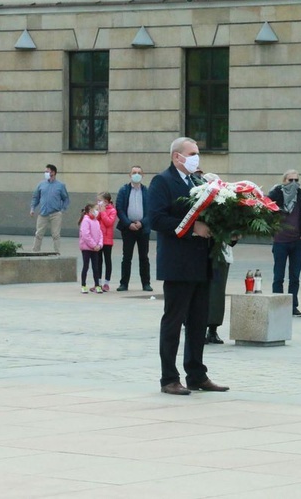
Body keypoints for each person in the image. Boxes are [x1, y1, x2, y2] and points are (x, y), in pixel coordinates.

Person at [149, 136, 228, 395]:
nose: (197, 157)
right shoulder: (163, 181)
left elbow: (212, 216)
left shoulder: (201, 181)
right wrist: (192, 227)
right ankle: (169, 378)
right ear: (177, 157)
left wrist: (227, 230)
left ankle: (196, 374)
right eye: (192, 153)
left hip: (201, 263)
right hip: (178, 263)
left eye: (197, 153)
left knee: (198, 322)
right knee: (174, 322)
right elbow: (157, 218)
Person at [268, 170, 301, 317]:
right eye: (290, 180)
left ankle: (293, 306)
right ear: (284, 180)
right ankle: (277, 305)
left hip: (296, 242)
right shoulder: (276, 194)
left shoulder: (300, 195)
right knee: (278, 276)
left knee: (294, 276)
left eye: (296, 180)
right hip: (280, 241)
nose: (293, 183)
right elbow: (266, 211)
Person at [115, 166, 153, 292]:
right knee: (126, 257)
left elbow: (151, 210)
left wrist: (142, 223)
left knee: (144, 257)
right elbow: (119, 209)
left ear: (143, 175)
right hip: (128, 229)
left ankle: (146, 283)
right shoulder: (124, 190)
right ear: (129, 175)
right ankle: (124, 283)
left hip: (143, 228)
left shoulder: (147, 191)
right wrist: (128, 224)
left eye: (139, 173)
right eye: (134, 173)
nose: (136, 175)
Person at [30, 164, 70, 254]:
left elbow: (66, 199)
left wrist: (62, 210)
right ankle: (35, 251)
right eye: (45, 171)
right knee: (39, 234)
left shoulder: (60, 185)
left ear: (53, 172)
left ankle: (57, 252)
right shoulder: (41, 184)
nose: (46, 173)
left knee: (55, 235)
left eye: (47, 171)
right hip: (43, 213)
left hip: (55, 213)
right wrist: (32, 208)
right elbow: (36, 197)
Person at [78, 203, 104, 294]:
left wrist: (99, 245)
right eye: (95, 209)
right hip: (86, 248)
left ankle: (97, 285)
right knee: (86, 266)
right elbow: (86, 235)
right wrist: (93, 245)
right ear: (90, 210)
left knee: (96, 267)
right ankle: (83, 285)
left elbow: (100, 234)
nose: (97, 211)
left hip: (95, 249)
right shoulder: (86, 220)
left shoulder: (96, 221)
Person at [96, 192, 117, 292]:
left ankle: (107, 283)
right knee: (98, 261)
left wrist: (103, 212)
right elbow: (95, 220)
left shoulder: (112, 210)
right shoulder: (99, 210)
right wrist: (98, 212)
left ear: (106, 201)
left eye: (100, 201)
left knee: (107, 260)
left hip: (107, 240)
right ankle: (98, 282)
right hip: (98, 239)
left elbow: (109, 223)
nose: (98, 203)